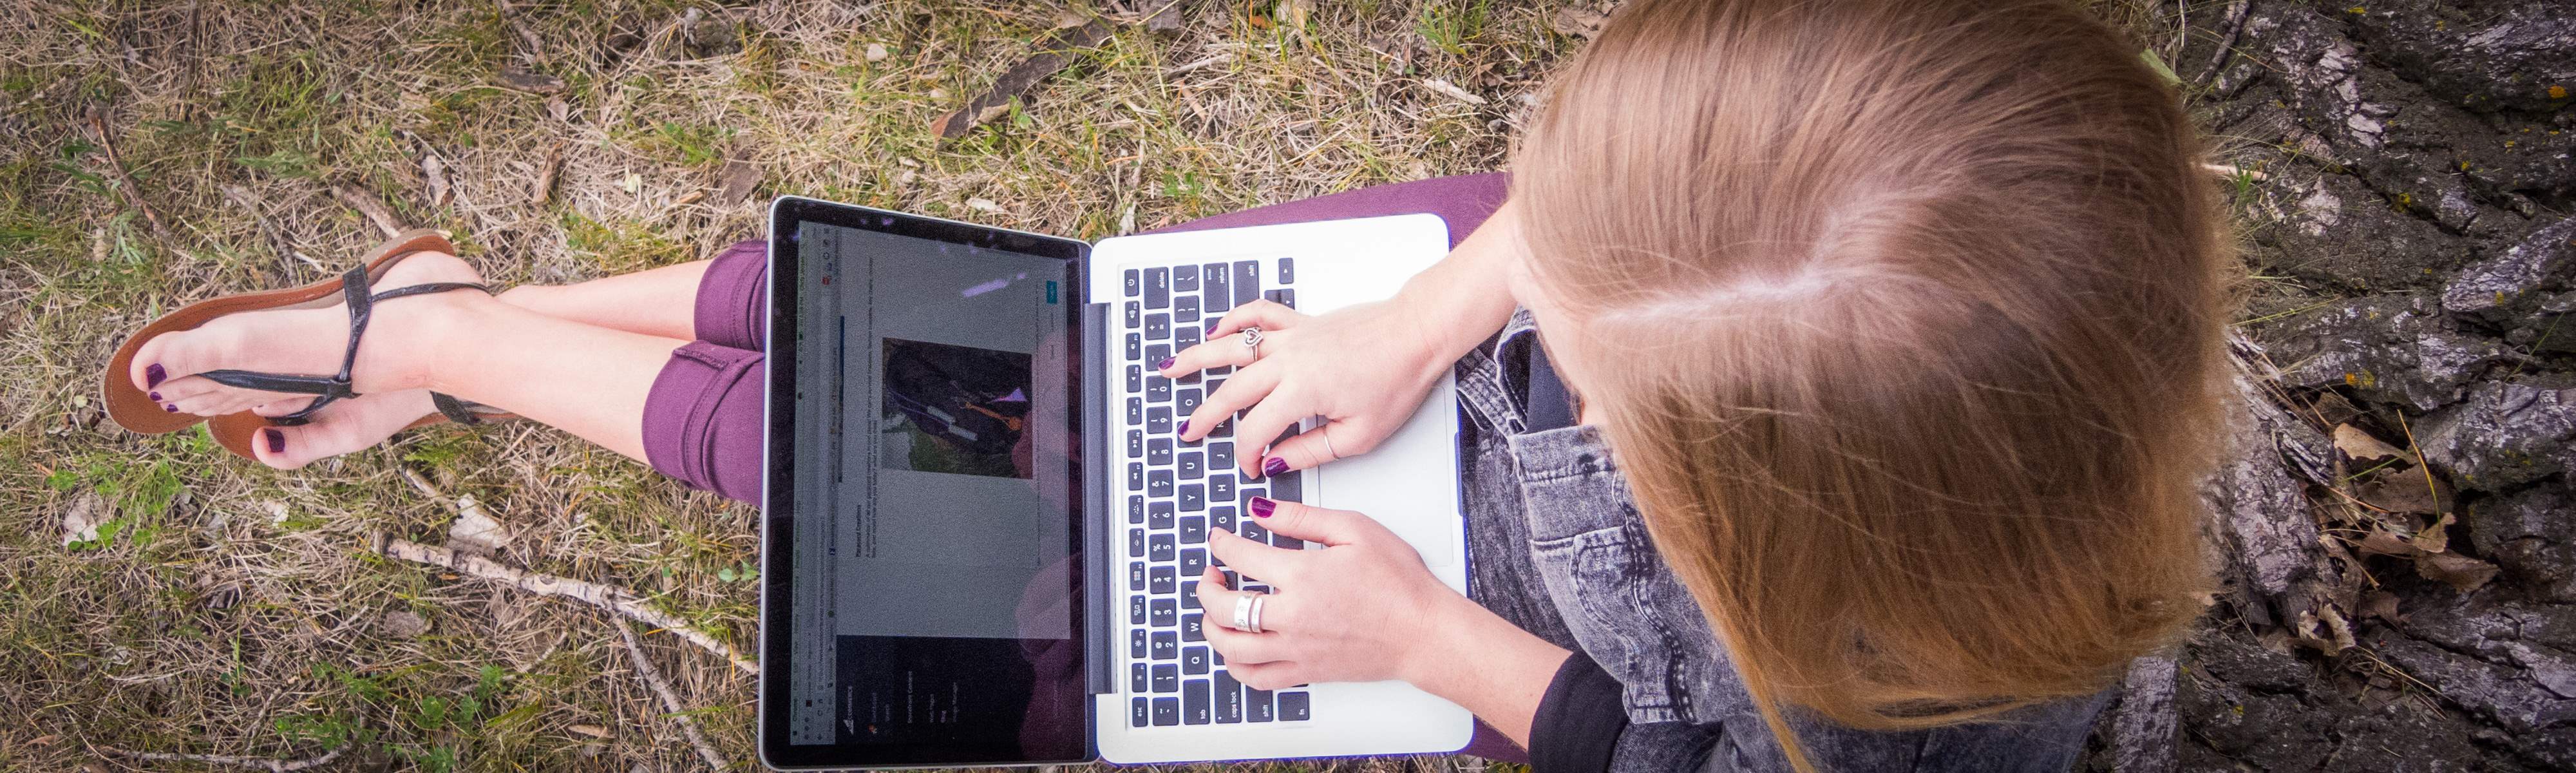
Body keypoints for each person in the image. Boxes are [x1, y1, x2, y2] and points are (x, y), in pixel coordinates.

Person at [109, 0, 2225, 769]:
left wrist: (1439, 645)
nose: (1553, 296)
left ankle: (456, 340)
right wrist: (1431, 312)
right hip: (1383, 356)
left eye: (1596, 353)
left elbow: (1669, 758)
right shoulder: (1847, 217)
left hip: (1452, 607)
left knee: (946, 489)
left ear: (1789, 546)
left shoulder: (1916, 709)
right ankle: (501, 316)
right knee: (998, 324)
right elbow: (1574, 213)